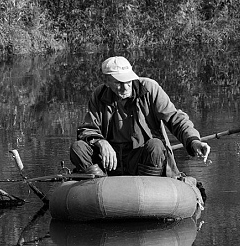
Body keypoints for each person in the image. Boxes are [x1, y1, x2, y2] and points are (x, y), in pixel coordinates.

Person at [70, 56, 211, 177]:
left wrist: (194, 142)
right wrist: (101, 142)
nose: (125, 87)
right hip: (110, 160)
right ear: (107, 82)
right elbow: (87, 129)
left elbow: (176, 119)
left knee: (156, 145)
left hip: (141, 156)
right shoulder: (99, 95)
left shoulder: (150, 89)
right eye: (119, 83)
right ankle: (98, 188)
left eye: (128, 81)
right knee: (78, 148)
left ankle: (148, 189)